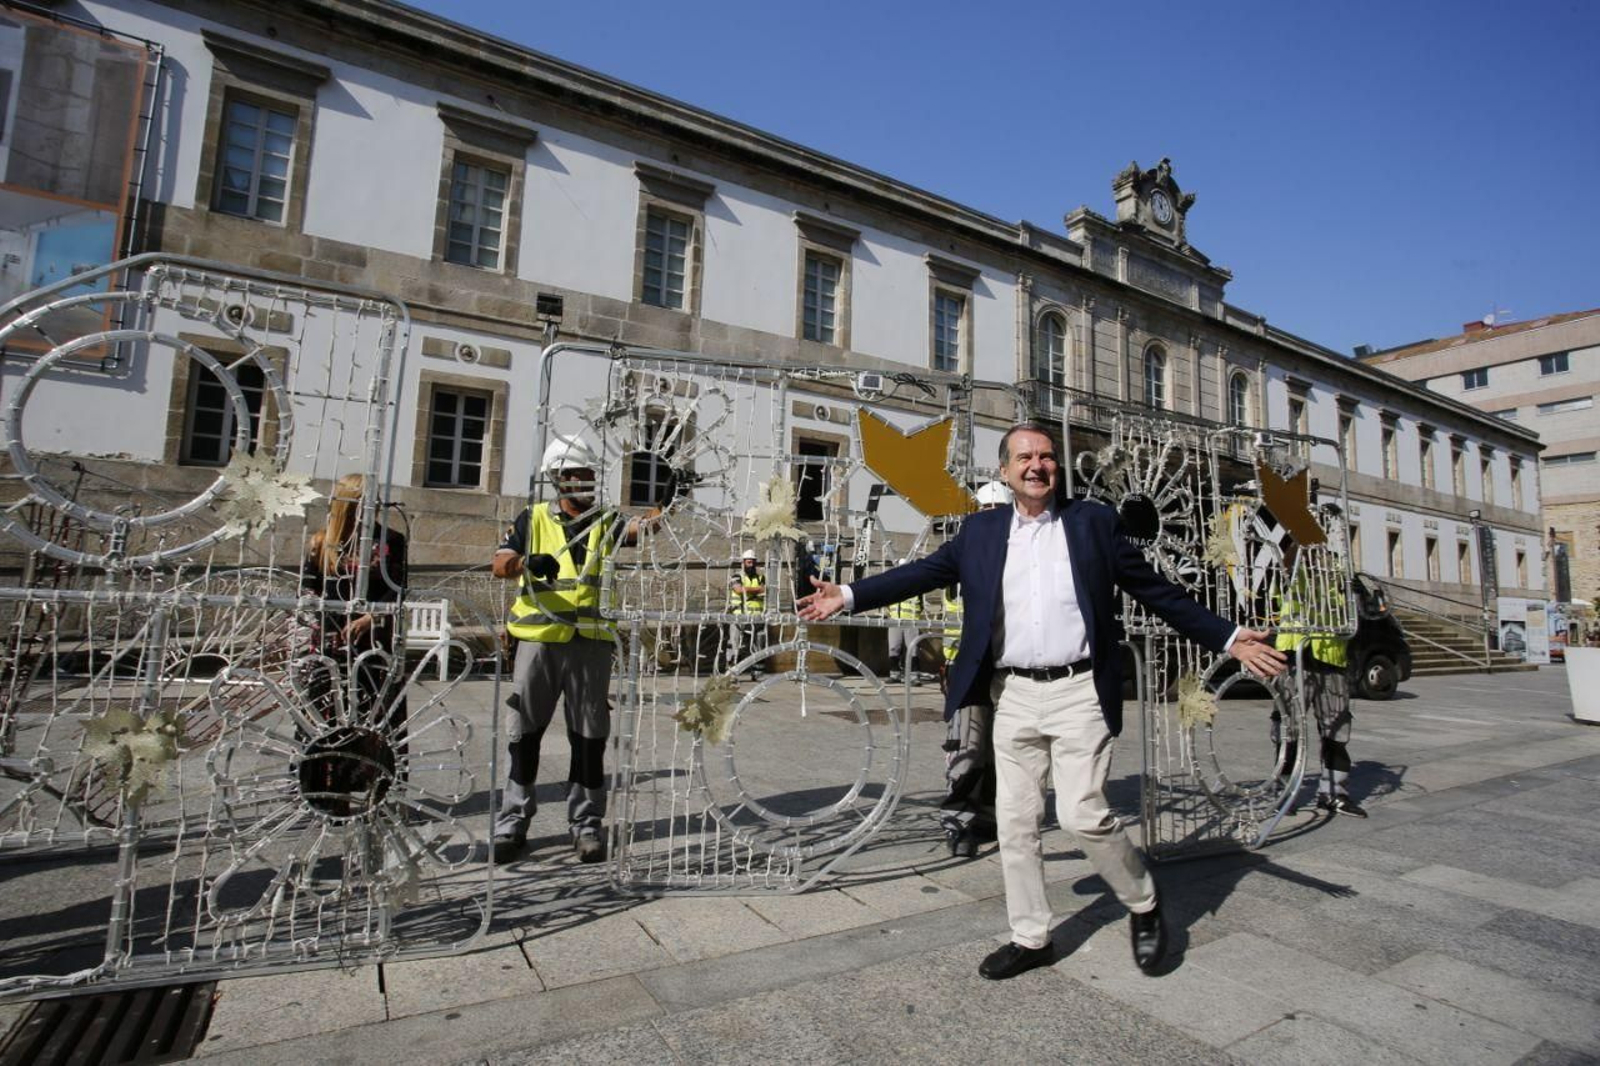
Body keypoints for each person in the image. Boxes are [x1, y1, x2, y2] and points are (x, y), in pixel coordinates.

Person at [799, 422, 1286, 978]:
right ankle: (1031, 937)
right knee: (1015, 821)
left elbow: (1156, 591)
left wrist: (1228, 637)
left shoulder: (1093, 523)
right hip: (1013, 694)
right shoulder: (980, 532)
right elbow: (921, 574)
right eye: (1025, 457)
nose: (1037, 466)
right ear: (1005, 471)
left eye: (1047, 456)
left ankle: (1143, 901)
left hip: (1080, 690)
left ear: (1057, 466)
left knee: (1082, 815)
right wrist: (848, 593)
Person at [492, 433, 651, 864]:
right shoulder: (532, 518)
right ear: (559, 478)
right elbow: (499, 563)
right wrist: (525, 562)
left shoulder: (606, 520)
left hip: (590, 644)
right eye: (579, 474)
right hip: (539, 641)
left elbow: (643, 528)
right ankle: (512, 823)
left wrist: (671, 499)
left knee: (589, 737)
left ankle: (586, 824)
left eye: (590, 473)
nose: (587, 481)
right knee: (523, 736)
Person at [300, 473, 409, 817]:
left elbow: (398, 589)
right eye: (365, 500)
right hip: (331, 644)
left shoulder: (391, 541)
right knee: (329, 719)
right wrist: (319, 617)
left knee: (376, 720)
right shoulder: (323, 542)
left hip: (374, 643)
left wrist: (370, 617)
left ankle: (381, 796)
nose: (373, 506)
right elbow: (308, 588)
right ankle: (329, 798)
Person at [939, 479, 1013, 857]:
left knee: (1006, 747)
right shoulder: (965, 548)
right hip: (969, 663)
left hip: (1010, 666)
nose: (991, 518)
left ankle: (992, 815)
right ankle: (961, 822)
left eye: (998, 511)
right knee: (967, 744)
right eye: (985, 511)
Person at [1273, 541, 1364, 817]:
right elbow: (1282, 574)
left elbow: (1354, 611)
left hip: (1331, 659)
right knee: (1288, 730)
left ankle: (1334, 793)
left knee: (1337, 731)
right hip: (1295, 656)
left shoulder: (1338, 570)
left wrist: (1356, 592)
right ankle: (1285, 792)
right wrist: (1298, 542)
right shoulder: (1291, 566)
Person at [725, 549, 767, 674]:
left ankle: (757, 673)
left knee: (758, 646)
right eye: (749, 562)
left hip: (757, 618)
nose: (751, 565)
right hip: (738, 617)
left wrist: (747, 589)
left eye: (753, 562)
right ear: (743, 563)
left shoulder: (761, 578)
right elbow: (738, 589)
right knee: (734, 644)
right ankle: (731, 672)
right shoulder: (736, 576)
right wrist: (757, 589)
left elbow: (765, 589)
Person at [886, 560, 925, 682]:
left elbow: (921, 604)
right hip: (894, 619)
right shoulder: (892, 584)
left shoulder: (916, 584)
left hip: (911, 620)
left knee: (913, 648)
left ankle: (914, 676)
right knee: (893, 647)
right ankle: (895, 674)